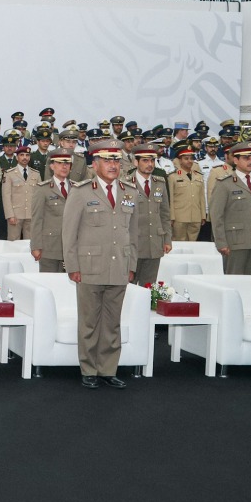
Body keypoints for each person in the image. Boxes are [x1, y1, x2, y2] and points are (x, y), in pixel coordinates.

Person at [62, 140, 137, 390]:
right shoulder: (81, 191)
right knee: (89, 322)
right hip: (88, 266)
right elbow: (69, 233)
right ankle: (88, 369)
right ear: (95, 164)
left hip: (119, 266)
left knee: (112, 321)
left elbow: (133, 232)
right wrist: (72, 265)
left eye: (116, 160)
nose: (113, 165)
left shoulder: (129, 191)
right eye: (107, 160)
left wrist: (131, 264)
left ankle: (108, 369)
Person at [209, 142, 251, 275]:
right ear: (235, 160)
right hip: (234, 243)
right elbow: (216, 215)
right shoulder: (225, 183)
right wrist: (221, 243)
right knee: (234, 280)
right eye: (246, 158)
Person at [125, 144, 171, 285]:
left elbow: (165, 214)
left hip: (154, 244)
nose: (150, 164)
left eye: (152, 160)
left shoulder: (160, 183)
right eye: (145, 160)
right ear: (136, 162)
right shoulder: (125, 183)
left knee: (148, 288)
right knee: (129, 288)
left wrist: (167, 239)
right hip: (133, 245)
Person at [30, 151, 73, 273]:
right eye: (60, 163)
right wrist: (36, 246)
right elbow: (37, 219)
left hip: (72, 248)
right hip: (50, 247)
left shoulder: (76, 188)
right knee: (49, 283)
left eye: (67, 163)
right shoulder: (43, 189)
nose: (64, 167)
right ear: (52, 166)